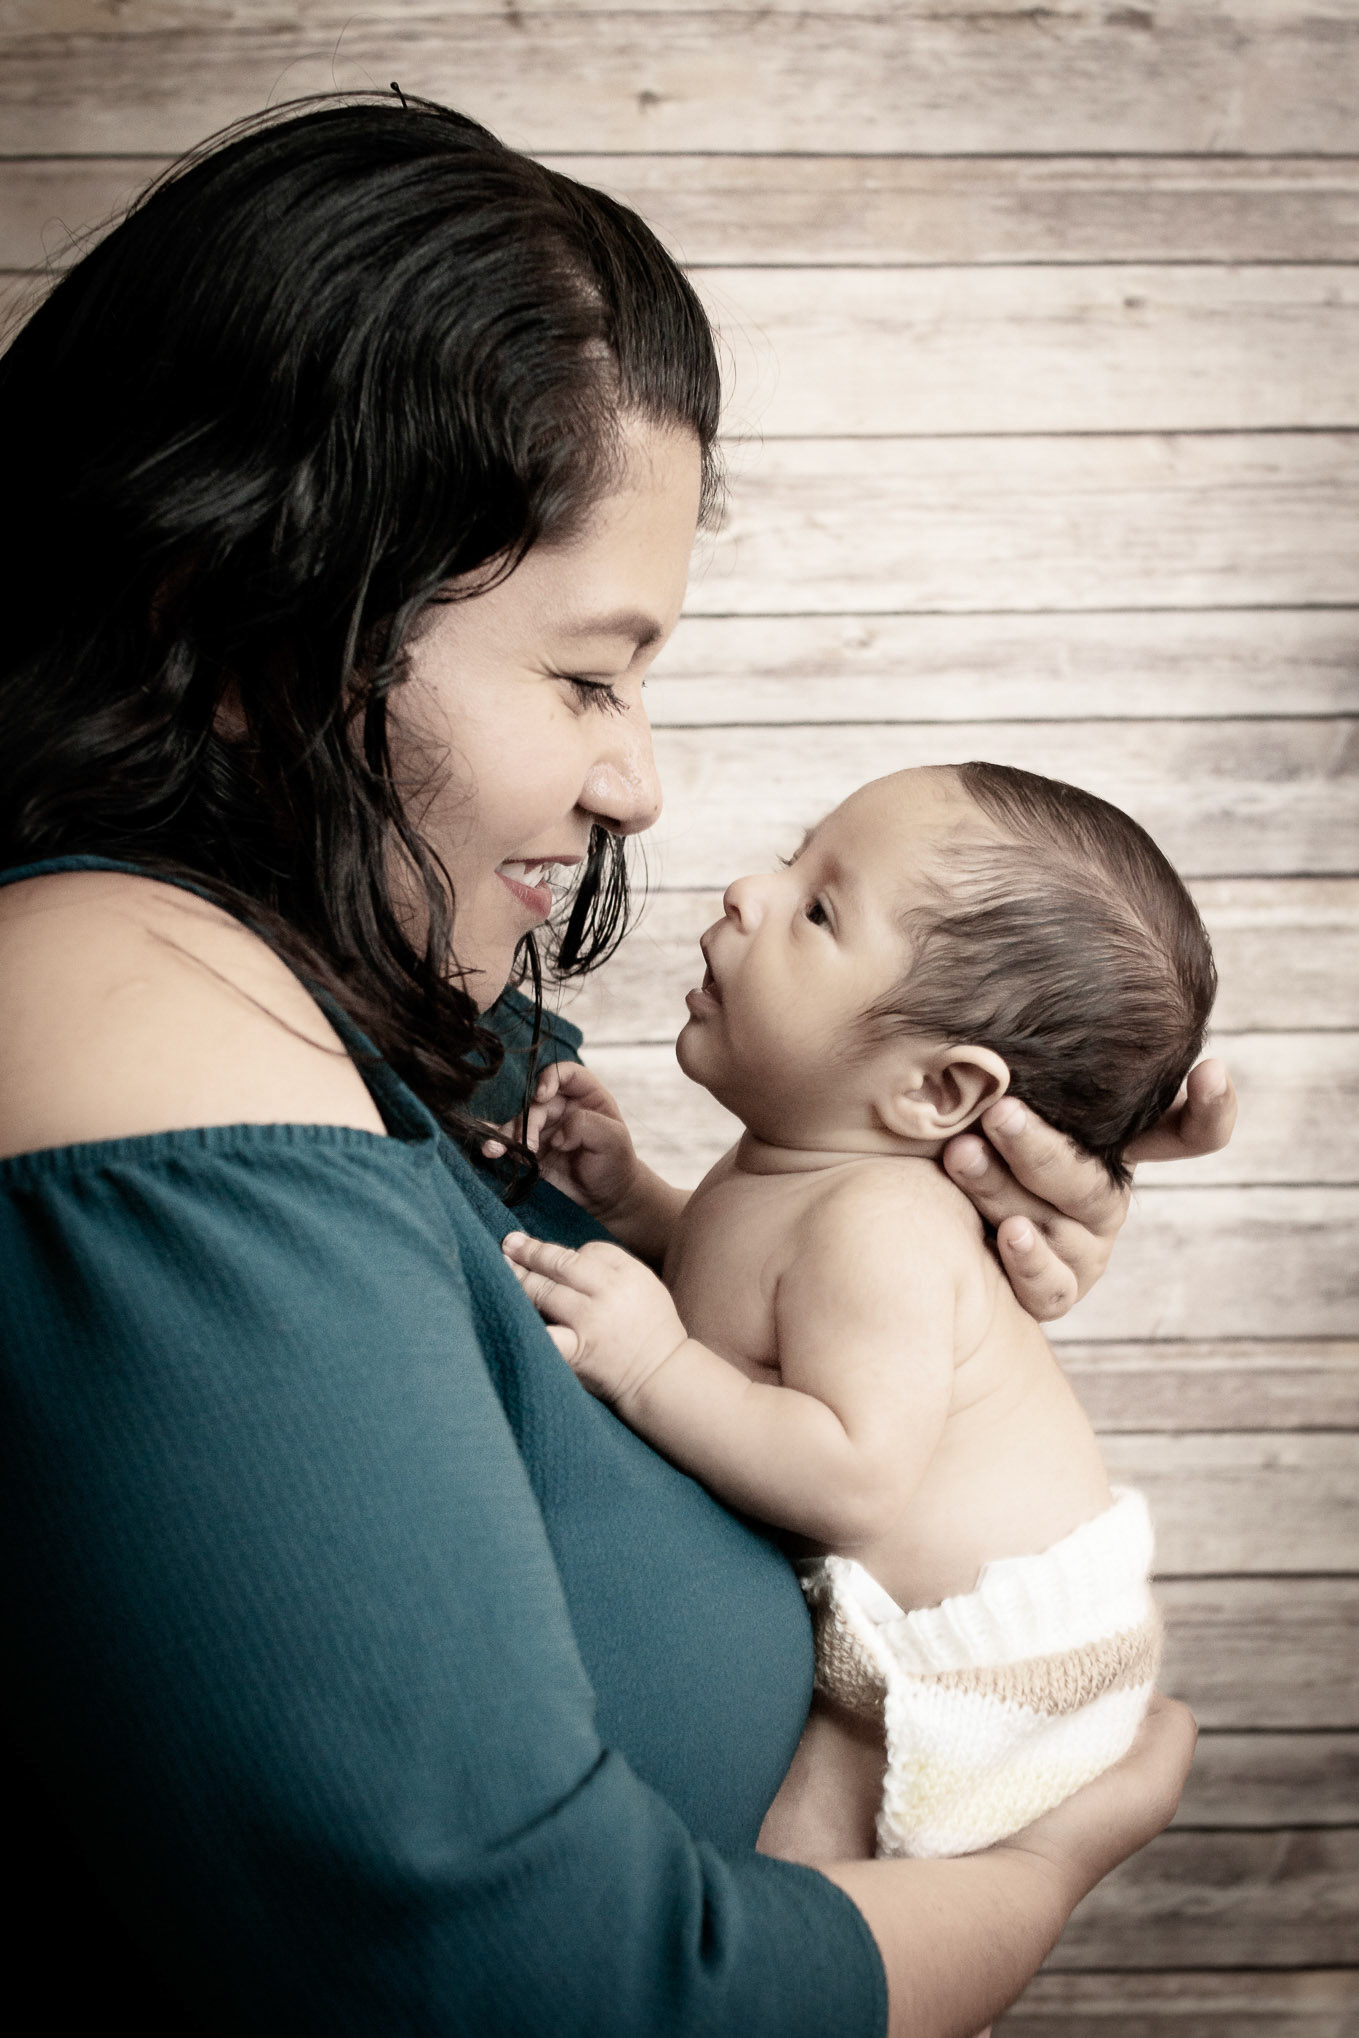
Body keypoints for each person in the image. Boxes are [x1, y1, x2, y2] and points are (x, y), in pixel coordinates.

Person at [0, 94, 1227, 2037]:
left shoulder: (314, 994)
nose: (639, 778)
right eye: (585, 673)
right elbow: (543, 1986)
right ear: (239, 630)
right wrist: (1041, 1862)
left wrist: (925, 1220)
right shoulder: (106, 999)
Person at [501, 760, 1216, 1876]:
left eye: (819, 908)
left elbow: (848, 1474)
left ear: (937, 1092)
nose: (748, 890)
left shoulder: (881, 1224)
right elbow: (749, 1295)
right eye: (793, 861)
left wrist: (648, 1365)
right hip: (919, 1625)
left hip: (981, 1668)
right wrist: (634, 1200)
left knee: (804, 1866)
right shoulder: (797, 1171)